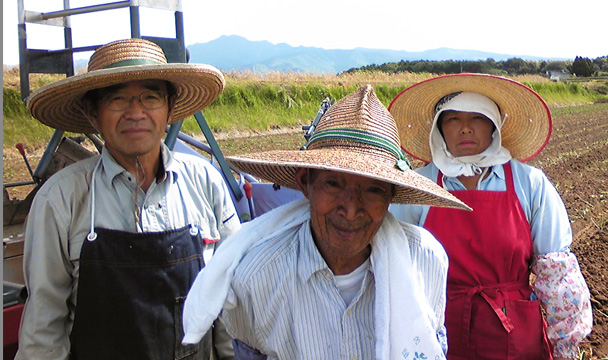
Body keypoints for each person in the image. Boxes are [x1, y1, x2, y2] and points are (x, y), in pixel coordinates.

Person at [182, 85, 471, 359]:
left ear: (391, 196)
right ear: (306, 183)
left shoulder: (424, 260)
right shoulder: (256, 276)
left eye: (372, 189)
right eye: (333, 183)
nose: (350, 209)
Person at [16, 38, 241, 360]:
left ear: (169, 110)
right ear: (93, 114)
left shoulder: (205, 181)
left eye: (151, 97)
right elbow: (44, 323)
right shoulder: (61, 198)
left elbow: (229, 295)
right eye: (117, 99)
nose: (136, 113)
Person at [388, 73, 593, 360]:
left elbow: (558, 275)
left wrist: (564, 344)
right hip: (438, 333)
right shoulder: (417, 186)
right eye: (453, 119)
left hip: (514, 334)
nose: (465, 129)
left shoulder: (529, 183)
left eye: (478, 118)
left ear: (494, 126)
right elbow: (394, 267)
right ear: (439, 129)